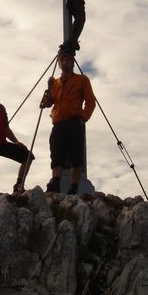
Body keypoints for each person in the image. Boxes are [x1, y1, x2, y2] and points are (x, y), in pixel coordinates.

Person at [40, 48, 96, 194]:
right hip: (58, 122)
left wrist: (83, 118)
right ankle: (56, 184)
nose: (64, 62)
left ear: (72, 62)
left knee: (76, 155)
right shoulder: (56, 83)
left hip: (74, 121)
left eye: (67, 59)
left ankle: (74, 187)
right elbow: (47, 104)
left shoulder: (82, 80)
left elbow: (90, 100)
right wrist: (49, 87)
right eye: (62, 60)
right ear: (59, 63)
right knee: (56, 153)